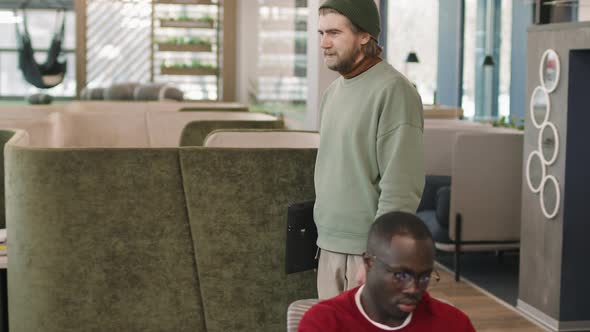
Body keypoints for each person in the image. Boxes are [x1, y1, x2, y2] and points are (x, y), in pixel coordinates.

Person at [314, 0, 425, 299]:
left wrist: (379, 254)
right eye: (321, 33)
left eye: (334, 33)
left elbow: (402, 185)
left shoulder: (395, 91)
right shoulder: (332, 93)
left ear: (365, 35)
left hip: (366, 252)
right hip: (328, 246)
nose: (324, 43)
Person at [299, 212, 476, 331]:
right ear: (369, 263)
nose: (413, 289)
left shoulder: (454, 324)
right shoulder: (323, 323)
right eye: (401, 275)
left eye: (424, 277)